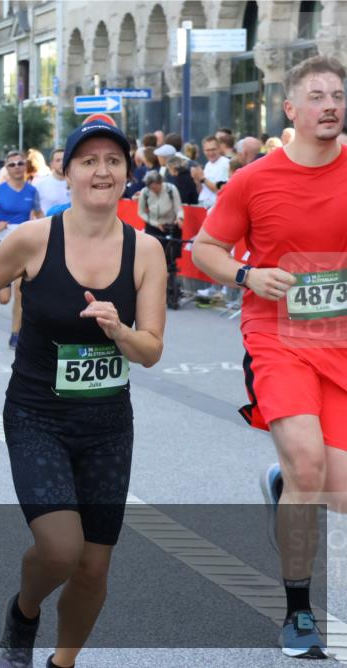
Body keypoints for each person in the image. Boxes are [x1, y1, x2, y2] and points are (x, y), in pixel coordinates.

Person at [0, 118, 166, 668]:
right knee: (61, 548)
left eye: (113, 161)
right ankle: (24, 614)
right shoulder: (33, 238)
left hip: (107, 427)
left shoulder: (145, 251)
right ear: (67, 172)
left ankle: (63, 662)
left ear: (128, 172)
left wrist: (119, 331)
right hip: (37, 417)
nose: (102, 171)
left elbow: (150, 351)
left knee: (95, 567)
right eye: (88, 161)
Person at [192, 55, 347, 661]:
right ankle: (299, 613)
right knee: (310, 464)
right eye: (317, 96)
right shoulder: (254, 178)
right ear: (291, 109)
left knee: (332, 492)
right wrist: (248, 275)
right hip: (278, 338)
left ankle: (288, 485)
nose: (330, 105)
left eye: (338, 94)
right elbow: (206, 248)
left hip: (340, 342)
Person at [0, 150, 43, 350]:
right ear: (6, 168)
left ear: (26, 166)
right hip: (1, 247)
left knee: (21, 291)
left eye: (20, 163)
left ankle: (16, 333)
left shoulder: (32, 192)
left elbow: (38, 213)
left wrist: (40, 224)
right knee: (4, 299)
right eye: (12, 164)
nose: (16, 167)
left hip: (23, 248)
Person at [32, 149, 71, 216]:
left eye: (64, 159)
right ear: (51, 164)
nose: (61, 163)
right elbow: (33, 210)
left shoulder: (77, 183)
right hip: (47, 224)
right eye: (58, 160)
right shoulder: (39, 184)